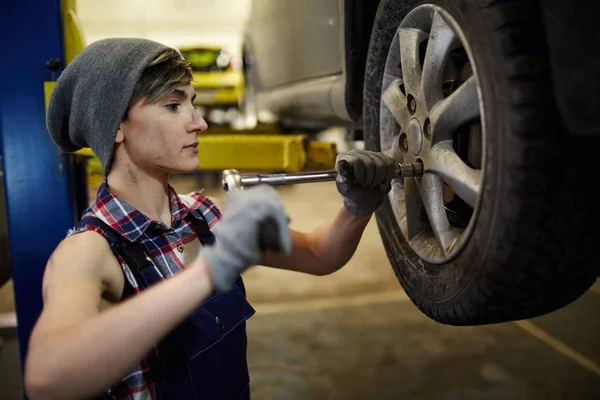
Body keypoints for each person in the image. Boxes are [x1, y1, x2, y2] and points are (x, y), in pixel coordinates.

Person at [24, 38, 397, 400]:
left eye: (193, 103)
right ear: (116, 126)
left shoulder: (202, 216)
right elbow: (46, 378)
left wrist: (357, 208)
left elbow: (319, 254)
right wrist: (209, 271)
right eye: (173, 105)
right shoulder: (87, 252)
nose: (199, 123)